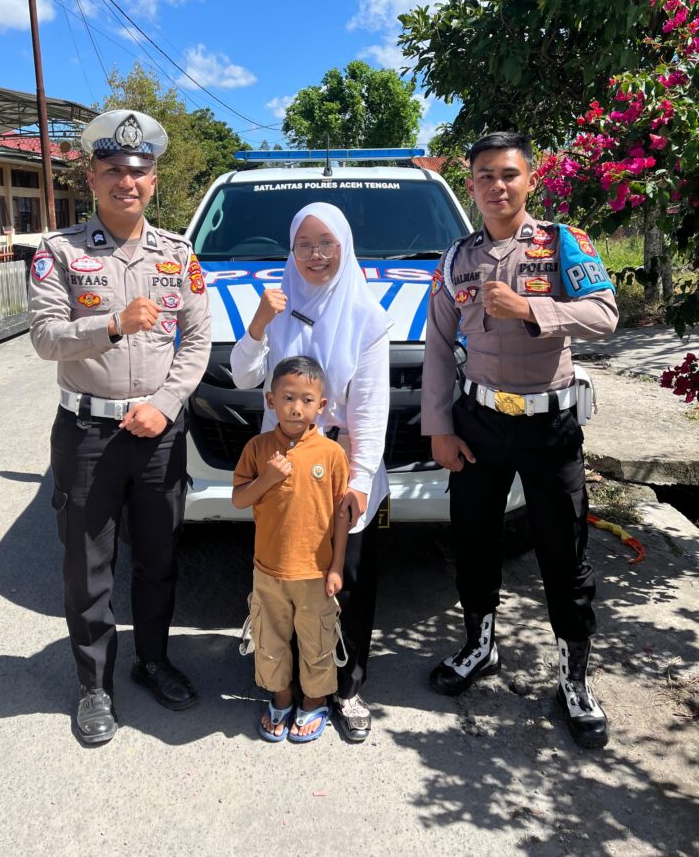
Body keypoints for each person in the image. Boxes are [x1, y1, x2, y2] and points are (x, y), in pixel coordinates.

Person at [421, 131, 618, 749]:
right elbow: (437, 348)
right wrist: (439, 427)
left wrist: (533, 309)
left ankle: (574, 678)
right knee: (474, 540)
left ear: (530, 179)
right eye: (485, 175)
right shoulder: (455, 260)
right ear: (471, 184)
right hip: (479, 423)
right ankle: (479, 648)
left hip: (548, 426)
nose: (497, 186)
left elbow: (606, 315)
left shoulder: (563, 243)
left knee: (564, 551)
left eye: (508, 174)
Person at [28, 109, 211, 745]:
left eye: (137, 171)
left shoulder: (178, 255)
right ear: (92, 178)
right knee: (88, 565)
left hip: (157, 432)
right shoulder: (59, 253)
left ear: (153, 180)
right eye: (112, 170)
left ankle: (152, 661)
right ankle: (94, 686)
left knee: (159, 557)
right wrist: (111, 325)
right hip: (87, 434)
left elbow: (197, 339)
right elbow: (45, 338)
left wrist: (166, 402)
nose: (125, 182)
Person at [230, 202, 390, 742]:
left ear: (345, 247)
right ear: (291, 250)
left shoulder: (366, 316)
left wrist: (360, 481)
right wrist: (258, 326)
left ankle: (346, 687)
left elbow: (370, 408)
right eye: (305, 244)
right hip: (281, 469)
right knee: (286, 574)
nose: (316, 255)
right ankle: (288, 684)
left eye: (327, 244)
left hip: (340, 462)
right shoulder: (277, 303)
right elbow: (244, 376)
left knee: (346, 579)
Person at [233, 356, 350, 742]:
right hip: (268, 570)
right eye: (287, 398)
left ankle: (314, 701)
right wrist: (267, 477)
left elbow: (341, 516)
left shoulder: (331, 454)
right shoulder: (258, 448)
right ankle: (281, 697)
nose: (296, 408)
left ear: (322, 405)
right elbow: (239, 499)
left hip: (315, 573)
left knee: (317, 641)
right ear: (271, 401)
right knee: (269, 640)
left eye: (306, 399)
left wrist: (337, 566)